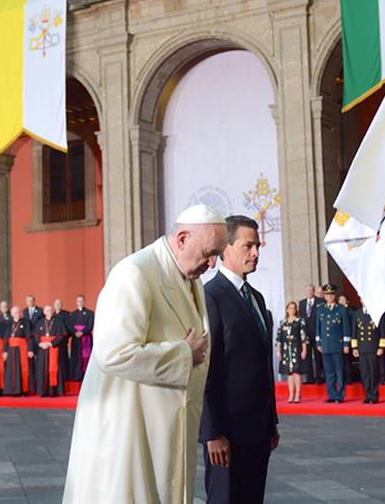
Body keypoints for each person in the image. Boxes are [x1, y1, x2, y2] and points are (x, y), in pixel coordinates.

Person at [63, 204, 227, 504]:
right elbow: (113, 352)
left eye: (217, 254)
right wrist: (182, 355)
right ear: (182, 239)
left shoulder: (191, 278)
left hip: (164, 426)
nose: (212, 264)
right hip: (129, 428)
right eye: (208, 253)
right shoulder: (135, 272)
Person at [200, 214, 278, 504]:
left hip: (258, 431)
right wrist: (212, 432)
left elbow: (261, 365)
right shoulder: (211, 296)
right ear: (226, 248)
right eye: (248, 246)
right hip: (226, 434)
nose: (256, 252)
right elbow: (206, 370)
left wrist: (270, 422)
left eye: (257, 246)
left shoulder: (257, 298)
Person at [315, 283, 351, 403]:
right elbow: (318, 327)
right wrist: (318, 342)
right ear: (324, 296)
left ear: (334, 296)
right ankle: (331, 394)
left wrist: (346, 344)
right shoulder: (320, 309)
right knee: (328, 371)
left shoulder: (341, 309)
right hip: (326, 344)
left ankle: (340, 395)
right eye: (327, 295)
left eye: (331, 295)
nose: (329, 297)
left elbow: (346, 327)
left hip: (337, 344)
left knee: (339, 371)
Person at [351, 299, 385, 404]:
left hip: (373, 347)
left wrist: (381, 347)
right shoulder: (357, 314)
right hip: (362, 348)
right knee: (365, 373)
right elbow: (354, 332)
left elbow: (382, 332)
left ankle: (374, 395)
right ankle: (367, 395)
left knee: (374, 372)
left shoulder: (377, 313)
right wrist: (354, 348)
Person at [276, 301, 307, 403]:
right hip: (285, 350)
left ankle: (298, 394)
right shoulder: (282, 323)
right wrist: (278, 351)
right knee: (289, 373)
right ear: (286, 310)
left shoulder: (299, 321)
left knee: (296, 372)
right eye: (290, 308)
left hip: (296, 349)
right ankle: (291, 394)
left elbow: (303, 337)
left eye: (294, 308)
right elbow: (278, 339)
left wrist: (304, 350)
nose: (292, 310)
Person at [34, 304, 66, 397]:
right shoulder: (40, 322)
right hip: (42, 350)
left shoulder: (58, 322)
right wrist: (40, 343)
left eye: (51, 310)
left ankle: (54, 391)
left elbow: (61, 336)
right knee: (42, 369)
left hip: (54, 348)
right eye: (47, 310)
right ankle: (42, 391)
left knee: (55, 368)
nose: (49, 312)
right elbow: (36, 336)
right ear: (44, 312)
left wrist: (50, 343)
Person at [298, 284, 324, 384]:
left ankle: (319, 377)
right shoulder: (302, 303)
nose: (309, 292)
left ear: (313, 291)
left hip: (317, 332)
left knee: (318, 356)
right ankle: (309, 378)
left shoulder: (320, 301)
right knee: (307, 356)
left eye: (310, 290)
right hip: (306, 334)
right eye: (307, 291)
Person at [3, 305, 31, 396]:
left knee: (22, 369)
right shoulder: (8, 323)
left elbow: (29, 337)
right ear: (11, 314)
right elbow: (6, 338)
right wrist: (5, 351)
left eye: (19, 312)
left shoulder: (26, 322)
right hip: (11, 350)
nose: (17, 314)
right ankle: (13, 390)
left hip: (21, 349)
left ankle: (23, 390)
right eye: (15, 313)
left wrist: (30, 350)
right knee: (12, 370)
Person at [68, 294, 94, 381]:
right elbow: (70, 326)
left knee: (86, 356)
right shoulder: (72, 314)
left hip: (86, 338)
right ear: (76, 302)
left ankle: (86, 375)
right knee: (76, 356)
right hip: (76, 339)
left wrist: (82, 332)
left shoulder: (90, 313)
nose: (80, 302)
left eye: (82, 301)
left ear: (84, 302)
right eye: (78, 301)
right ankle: (76, 375)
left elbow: (90, 326)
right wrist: (75, 332)